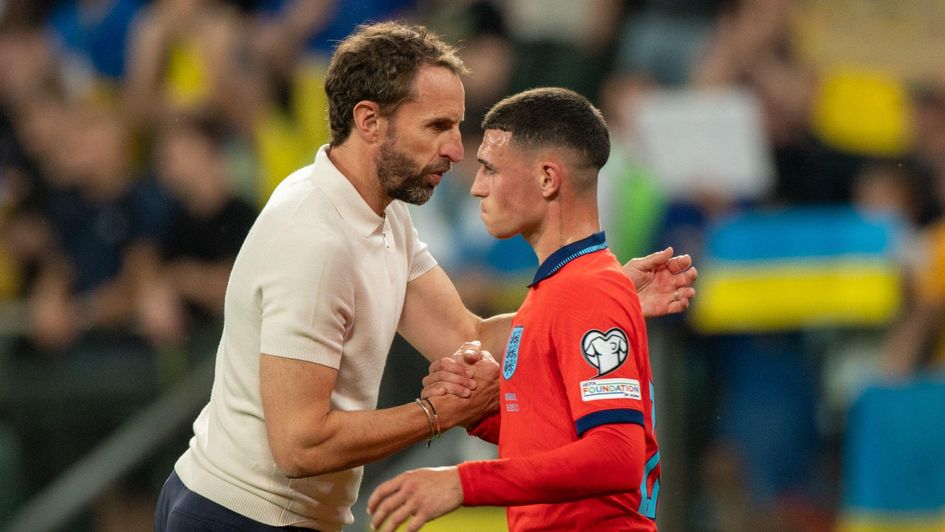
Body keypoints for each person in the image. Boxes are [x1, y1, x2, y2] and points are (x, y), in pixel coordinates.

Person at [155, 22, 695, 532]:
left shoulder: (381, 213)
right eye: (437, 126)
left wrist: (598, 300)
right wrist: (435, 415)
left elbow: (470, 336)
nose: (456, 151)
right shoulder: (315, 239)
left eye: (457, 126)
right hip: (237, 515)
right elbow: (298, 446)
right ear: (369, 121)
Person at [368, 88, 661, 531]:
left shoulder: (586, 291)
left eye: (490, 169)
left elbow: (616, 457)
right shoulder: (559, 286)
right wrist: (479, 412)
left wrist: (464, 482)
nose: (476, 186)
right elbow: (555, 437)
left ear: (547, 179)